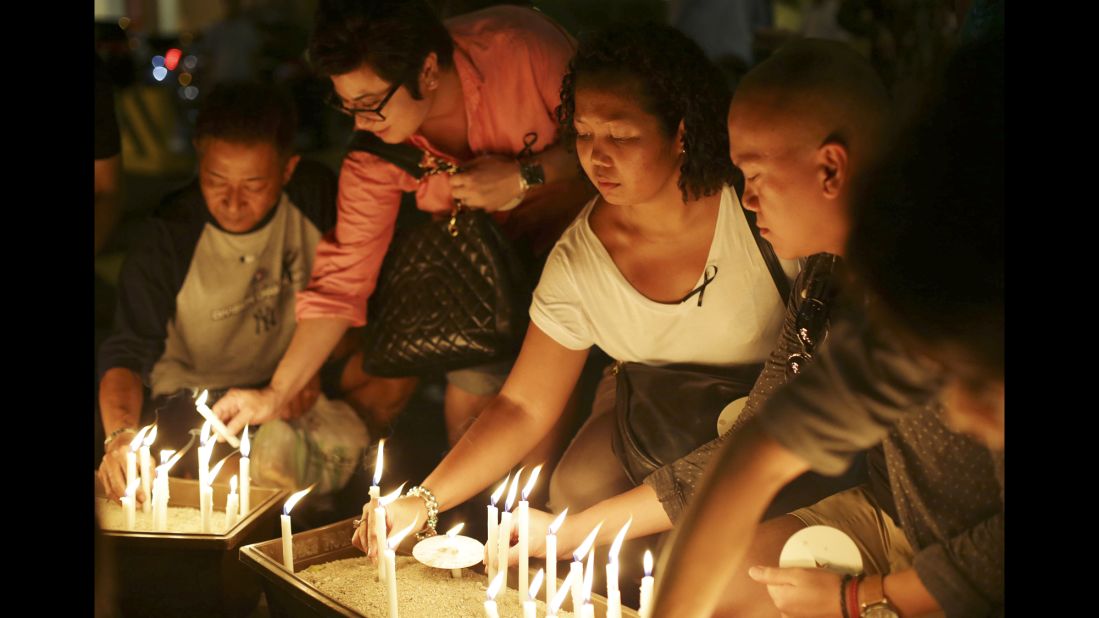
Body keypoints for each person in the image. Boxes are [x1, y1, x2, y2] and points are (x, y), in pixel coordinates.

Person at [360, 22, 797, 585]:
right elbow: (521, 405)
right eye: (585, 135)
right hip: (649, 406)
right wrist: (423, 500)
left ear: (681, 132)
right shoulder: (579, 261)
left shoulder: (759, 211)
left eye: (622, 136)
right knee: (576, 489)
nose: (598, 158)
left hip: (771, 400)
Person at [652, 32, 1004, 618]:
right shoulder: (901, 294)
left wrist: (860, 600)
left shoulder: (951, 280)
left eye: (970, 378)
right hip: (905, 526)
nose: (959, 411)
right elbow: (758, 452)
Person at [213, 0, 593, 457]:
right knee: (472, 426)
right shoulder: (373, 157)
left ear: (428, 70)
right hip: (490, 281)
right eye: (346, 105)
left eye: (371, 104)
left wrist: (526, 174)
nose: (360, 122)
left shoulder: (523, 52)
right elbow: (341, 283)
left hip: (590, 247)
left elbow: (617, 139)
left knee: (547, 435)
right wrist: (274, 393)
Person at [97, 82, 370, 501]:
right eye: (215, 180)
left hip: (290, 377)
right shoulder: (169, 236)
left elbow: (355, 295)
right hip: (197, 399)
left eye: (255, 185)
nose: (232, 202)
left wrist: (305, 372)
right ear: (199, 162)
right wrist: (119, 436)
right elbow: (125, 353)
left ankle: (351, 499)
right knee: (229, 495)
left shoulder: (315, 196)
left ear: (288, 170)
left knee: (384, 369)